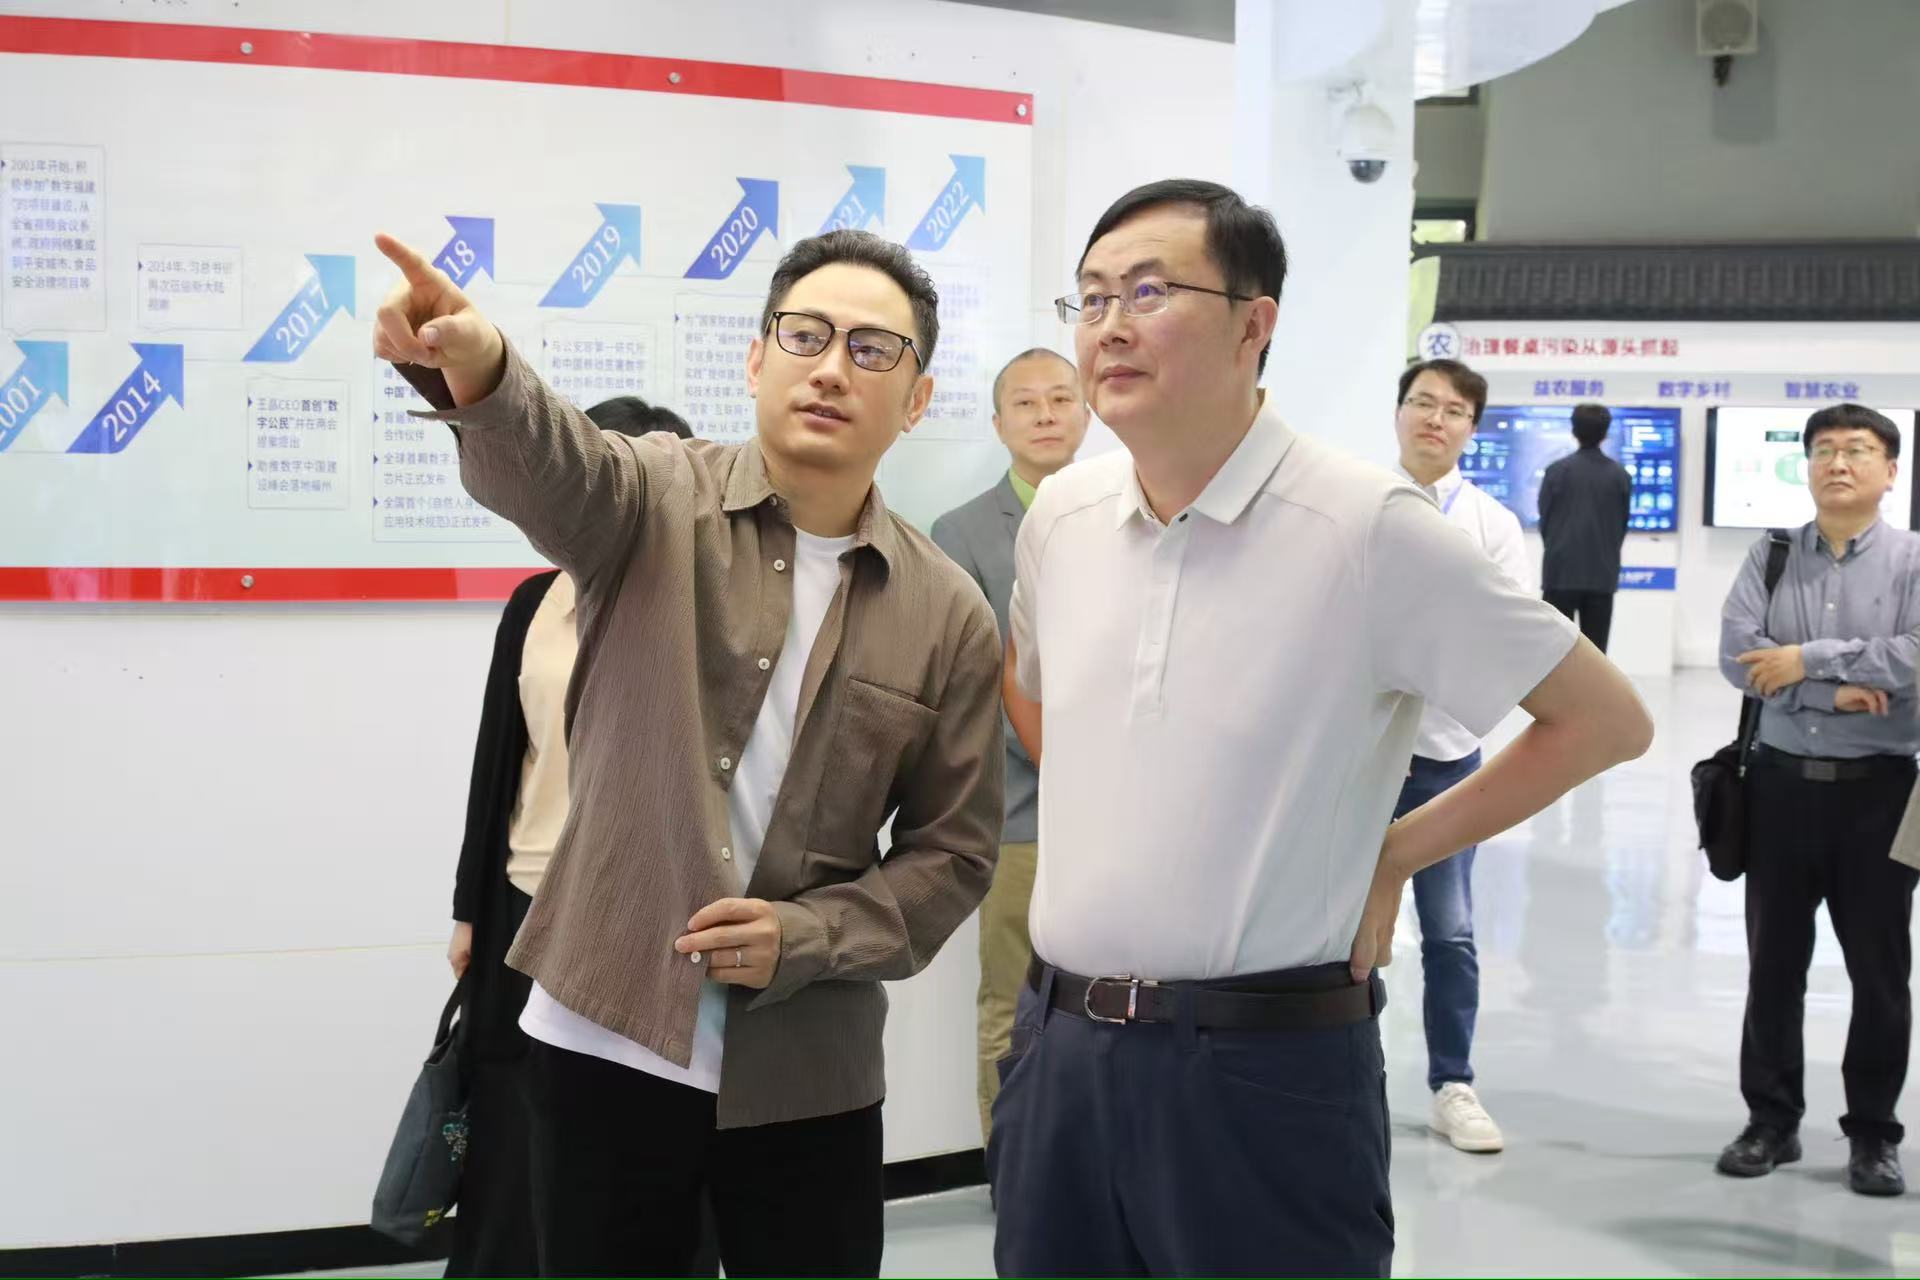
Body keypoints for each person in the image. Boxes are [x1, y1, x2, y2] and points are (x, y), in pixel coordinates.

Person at [988, 179, 1653, 1277]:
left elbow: (1603, 720)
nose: (1110, 325)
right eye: (1092, 297)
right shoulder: (1062, 515)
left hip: (1258, 1068)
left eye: (1149, 292)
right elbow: (1038, 683)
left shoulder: (1364, 526)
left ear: (1254, 323)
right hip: (1060, 1052)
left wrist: (1392, 852)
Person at [372, 227, 1005, 1277]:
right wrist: (483, 368)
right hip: (602, 1037)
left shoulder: (948, 613)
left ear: (918, 397)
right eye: (805, 335)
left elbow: (954, 853)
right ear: (756, 360)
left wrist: (810, 933)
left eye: (872, 348)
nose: (832, 367)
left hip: (809, 1068)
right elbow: (554, 464)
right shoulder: (651, 497)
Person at [442, 396, 698, 1277]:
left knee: (630, 1138)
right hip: (527, 901)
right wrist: (469, 909)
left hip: (647, 912)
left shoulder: (696, 605)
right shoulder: (532, 602)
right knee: (513, 1128)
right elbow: (498, 763)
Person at [1715, 402, 1920, 1198]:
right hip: (1778, 789)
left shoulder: (1911, 560)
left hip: (1881, 796)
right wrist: (1830, 693)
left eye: (1858, 450)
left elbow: (1913, 656)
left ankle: (1873, 1134)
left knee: (1880, 974)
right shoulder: (1769, 556)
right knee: (1774, 965)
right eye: (1825, 449)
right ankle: (1771, 1121)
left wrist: (1805, 660)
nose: (1839, 462)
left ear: (1890, 470)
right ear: (1806, 466)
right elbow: (1738, 656)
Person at [930, 347, 1090, 1144]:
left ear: (1087, 412)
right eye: (1026, 403)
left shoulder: (1133, 511)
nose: (1046, 415)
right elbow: (978, 682)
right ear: (999, 425)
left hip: (1124, 818)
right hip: (1020, 810)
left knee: (1112, 1002)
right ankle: (1014, 1168)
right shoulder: (959, 533)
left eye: (1061, 398)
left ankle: (1089, 1167)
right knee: (1013, 1001)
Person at [1390, 358, 1528, 1156]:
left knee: (1450, 932)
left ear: (1472, 428)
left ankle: (1453, 1084)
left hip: (1445, 757)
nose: (1434, 419)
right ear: (1399, 413)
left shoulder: (1493, 525)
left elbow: (1505, 635)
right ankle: (1343, 1070)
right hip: (1359, 758)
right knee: (1338, 929)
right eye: (1421, 403)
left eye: (1452, 410)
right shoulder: (1356, 504)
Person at [1537, 402, 1632, 652]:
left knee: (1554, 655)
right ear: (1606, 432)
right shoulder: (1620, 476)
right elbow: (1621, 526)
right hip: (1602, 575)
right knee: (1596, 654)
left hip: (1560, 573)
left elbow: (1545, 520)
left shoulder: (1556, 472)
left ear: (1574, 430)